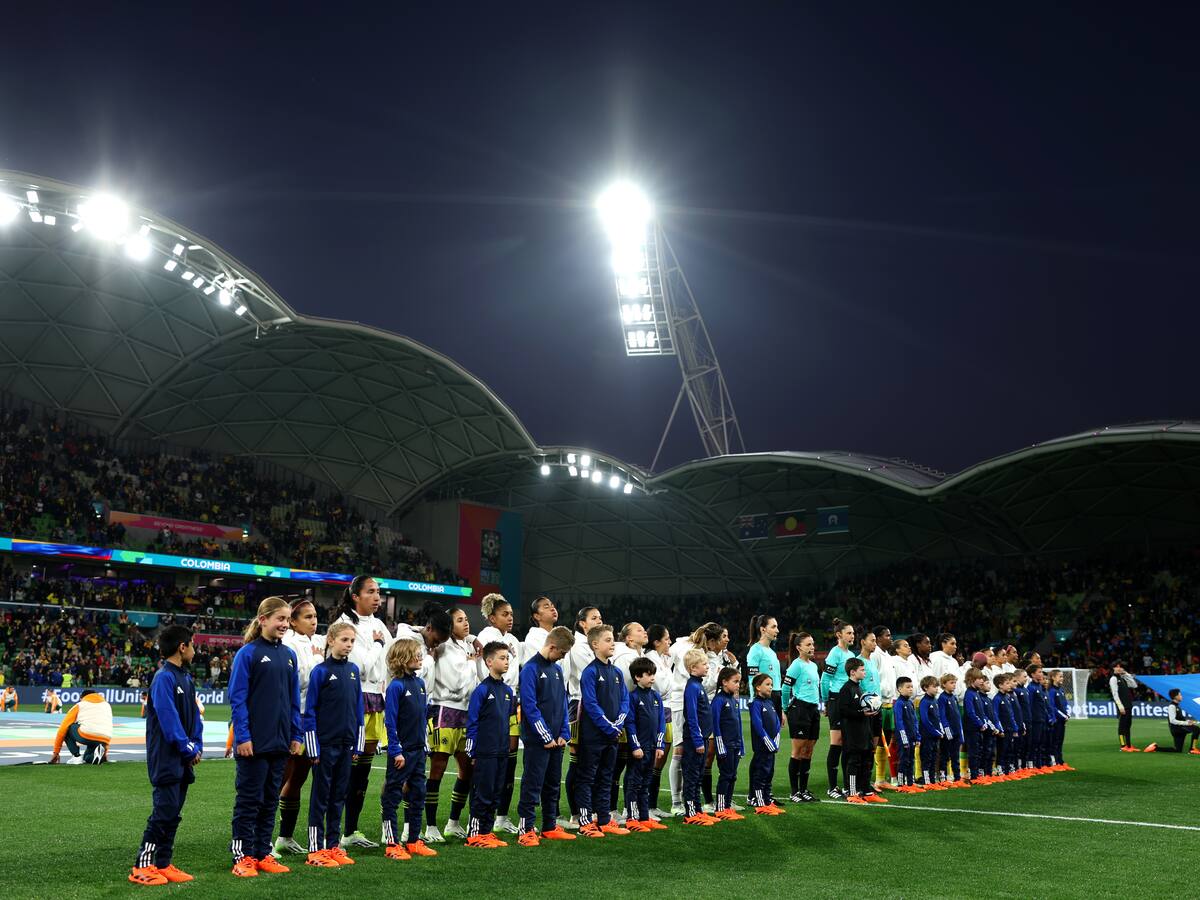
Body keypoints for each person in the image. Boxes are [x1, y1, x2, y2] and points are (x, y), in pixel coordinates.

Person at [228, 597, 303, 877]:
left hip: (281, 742)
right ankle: (242, 856)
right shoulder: (248, 653)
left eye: (287, 619)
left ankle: (262, 852)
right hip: (254, 743)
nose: (284, 624)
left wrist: (295, 734)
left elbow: (295, 700)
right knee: (249, 801)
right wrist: (243, 737)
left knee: (271, 799)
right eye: (280, 619)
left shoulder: (289, 655)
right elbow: (237, 699)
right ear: (263, 620)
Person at [129, 624, 204, 886]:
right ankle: (142, 865)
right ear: (182, 647)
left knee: (174, 813)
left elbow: (195, 717)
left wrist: (196, 744)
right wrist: (187, 748)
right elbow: (169, 719)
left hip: (182, 757)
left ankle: (162, 862)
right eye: (192, 645)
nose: (195, 650)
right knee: (163, 812)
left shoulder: (186, 678)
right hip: (167, 757)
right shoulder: (163, 678)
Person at [301, 622, 364, 867]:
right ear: (331, 641)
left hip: (347, 745)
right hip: (325, 746)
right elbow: (310, 711)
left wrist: (358, 745)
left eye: (352, 641)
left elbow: (359, 709)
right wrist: (313, 747)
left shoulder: (353, 671)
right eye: (344, 640)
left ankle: (333, 846)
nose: (348, 645)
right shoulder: (320, 671)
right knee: (321, 797)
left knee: (339, 796)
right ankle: (315, 849)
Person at [334, 576, 390, 850]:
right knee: (345, 770)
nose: (377, 596)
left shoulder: (378, 624)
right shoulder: (344, 625)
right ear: (355, 596)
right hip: (354, 699)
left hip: (375, 700)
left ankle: (350, 831)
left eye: (378, 592)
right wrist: (378, 646)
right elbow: (363, 667)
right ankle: (332, 832)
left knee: (363, 772)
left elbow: (391, 661)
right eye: (370, 592)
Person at [516, 626, 576, 846]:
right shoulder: (530, 669)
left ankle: (549, 826)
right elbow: (529, 707)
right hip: (537, 740)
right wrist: (546, 736)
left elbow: (562, 703)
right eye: (562, 652)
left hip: (556, 740)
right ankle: (526, 828)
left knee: (552, 784)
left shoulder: (557, 670)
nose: (563, 657)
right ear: (552, 646)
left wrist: (563, 733)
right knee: (532, 783)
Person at [380, 638, 439, 860]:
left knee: (418, 795)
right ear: (403, 658)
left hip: (418, 751)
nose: (420, 657)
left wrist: (425, 745)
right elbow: (390, 721)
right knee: (392, 796)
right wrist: (395, 750)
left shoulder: (420, 684)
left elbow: (422, 718)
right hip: (402, 753)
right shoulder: (396, 686)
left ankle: (413, 840)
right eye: (415, 653)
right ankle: (392, 843)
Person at [273, 599, 323, 857]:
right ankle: (262, 840)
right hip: (294, 717)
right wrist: (317, 662)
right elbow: (300, 680)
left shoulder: (317, 641)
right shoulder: (290, 643)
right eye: (307, 617)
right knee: (281, 776)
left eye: (315, 616)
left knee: (299, 778)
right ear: (293, 621)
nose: (314, 621)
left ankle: (285, 837)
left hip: (312, 719)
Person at [426, 606, 480, 842]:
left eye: (466, 619)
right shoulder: (444, 647)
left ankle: (453, 822)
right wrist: (470, 663)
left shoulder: (466, 645)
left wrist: (473, 642)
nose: (465, 623)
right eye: (459, 620)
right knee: (437, 768)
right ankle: (429, 826)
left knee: (467, 769)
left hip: (465, 713)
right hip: (444, 710)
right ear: (449, 626)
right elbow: (456, 682)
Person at [575, 624, 630, 838]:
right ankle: (585, 822)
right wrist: (610, 726)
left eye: (613, 639)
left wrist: (619, 723)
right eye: (608, 640)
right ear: (595, 644)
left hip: (613, 734)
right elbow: (590, 704)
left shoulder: (616, 671)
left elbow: (625, 700)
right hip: (594, 735)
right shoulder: (590, 672)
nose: (613, 643)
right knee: (587, 777)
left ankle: (604, 819)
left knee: (607, 777)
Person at [476, 594, 522, 835]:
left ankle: (501, 817)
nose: (510, 618)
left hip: (510, 698)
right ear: (492, 617)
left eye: (512, 614)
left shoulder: (513, 639)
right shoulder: (485, 637)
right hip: (492, 699)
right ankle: (478, 820)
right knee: (487, 764)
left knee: (509, 761)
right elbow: (480, 668)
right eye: (505, 614)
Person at [464, 641, 516, 848]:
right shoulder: (482, 690)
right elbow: (472, 722)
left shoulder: (507, 691)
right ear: (489, 661)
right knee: (482, 793)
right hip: (485, 751)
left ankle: (486, 831)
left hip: (501, 751)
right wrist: (472, 751)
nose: (506, 662)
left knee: (495, 793)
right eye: (502, 658)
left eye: (507, 659)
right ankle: (475, 834)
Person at [561, 606, 602, 829]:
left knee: (592, 762)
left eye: (600, 617)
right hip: (580, 705)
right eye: (593, 618)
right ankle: (576, 813)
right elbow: (593, 674)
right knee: (578, 762)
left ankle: (591, 809)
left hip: (594, 705)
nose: (598, 620)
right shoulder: (577, 646)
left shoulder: (593, 644)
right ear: (582, 624)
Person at [624, 656, 668, 831]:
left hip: (652, 748)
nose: (652, 678)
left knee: (646, 782)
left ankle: (644, 816)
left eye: (653, 674)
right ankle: (632, 818)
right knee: (634, 783)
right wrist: (635, 746)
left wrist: (660, 745)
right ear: (637, 677)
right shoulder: (633, 697)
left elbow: (661, 723)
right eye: (648, 674)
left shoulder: (656, 696)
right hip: (639, 749)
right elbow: (630, 723)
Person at [611, 621, 647, 821]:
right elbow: (628, 687)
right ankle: (612, 809)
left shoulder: (638, 655)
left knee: (624, 764)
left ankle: (624, 808)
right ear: (628, 638)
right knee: (619, 764)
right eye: (639, 630)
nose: (644, 632)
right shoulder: (627, 657)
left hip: (631, 713)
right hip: (625, 714)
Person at [781, 631, 820, 803]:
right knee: (797, 751)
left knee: (809, 751)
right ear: (799, 648)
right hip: (800, 709)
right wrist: (784, 709)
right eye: (808, 645)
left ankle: (804, 790)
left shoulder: (813, 665)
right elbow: (785, 689)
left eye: (812, 644)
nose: (812, 647)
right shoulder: (796, 665)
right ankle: (794, 791)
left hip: (813, 709)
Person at [680, 648, 717, 826]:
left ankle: (698, 810)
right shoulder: (692, 687)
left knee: (698, 775)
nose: (707, 666)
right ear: (693, 668)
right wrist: (697, 740)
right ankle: (691, 813)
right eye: (704, 664)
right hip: (695, 740)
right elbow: (692, 716)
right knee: (692, 776)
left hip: (701, 738)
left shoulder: (698, 685)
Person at [839, 658, 883, 803]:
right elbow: (843, 710)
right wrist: (861, 713)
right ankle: (852, 793)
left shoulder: (860, 687)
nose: (864, 672)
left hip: (864, 731)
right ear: (852, 672)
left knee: (866, 762)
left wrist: (870, 711)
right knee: (854, 762)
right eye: (862, 670)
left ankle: (866, 792)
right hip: (852, 733)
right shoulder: (846, 689)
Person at [819, 618, 855, 799]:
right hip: (836, 700)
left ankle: (849, 785)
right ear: (839, 635)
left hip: (848, 700)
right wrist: (826, 701)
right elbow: (825, 679)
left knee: (847, 743)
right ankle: (832, 787)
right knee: (837, 743)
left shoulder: (851, 655)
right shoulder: (835, 653)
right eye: (849, 633)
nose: (852, 636)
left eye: (853, 633)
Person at [643, 624, 674, 819]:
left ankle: (652, 805)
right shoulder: (649, 659)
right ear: (656, 642)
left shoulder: (663, 660)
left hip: (666, 710)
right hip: (656, 709)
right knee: (653, 759)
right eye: (667, 638)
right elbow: (661, 686)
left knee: (659, 761)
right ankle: (644, 806)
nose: (669, 642)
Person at [710, 666, 745, 820]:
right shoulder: (718, 701)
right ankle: (720, 807)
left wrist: (741, 746)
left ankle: (727, 806)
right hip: (725, 745)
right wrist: (720, 746)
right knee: (725, 775)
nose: (738, 685)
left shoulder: (733, 700)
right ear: (724, 682)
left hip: (735, 745)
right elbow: (715, 726)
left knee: (733, 776)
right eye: (735, 682)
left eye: (739, 682)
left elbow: (738, 725)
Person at [747, 673, 783, 814]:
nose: (770, 687)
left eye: (771, 685)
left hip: (772, 746)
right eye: (767, 684)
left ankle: (767, 800)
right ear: (757, 687)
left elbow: (777, 722)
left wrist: (777, 738)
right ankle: (759, 802)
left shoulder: (770, 702)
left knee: (769, 773)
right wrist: (768, 741)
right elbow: (758, 725)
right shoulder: (755, 703)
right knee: (760, 774)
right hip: (763, 747)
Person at [51, 689, 112, 765]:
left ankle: (76, 756)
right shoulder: (107, 705)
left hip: (88, 734)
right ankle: (99, 755)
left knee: (68, 727)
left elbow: (62, 729)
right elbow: (108, 726)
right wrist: (105, 752)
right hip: (105, 738)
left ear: (82, 697)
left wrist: (56, 752)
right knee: (87, 758)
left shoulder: (80, 705)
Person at [870, 626, 898, 791]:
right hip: (878, 704)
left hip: (889, 703)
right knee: (876, 741)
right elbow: (872, 678)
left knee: (885, 741)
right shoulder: (875, 655)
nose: (891, 638)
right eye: (888, 635)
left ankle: (880, 779)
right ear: (879, 638)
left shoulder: (888, 656)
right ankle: (872, 778)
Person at [1143, 689, 1200, 754]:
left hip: (1177, 729)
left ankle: (1155, 748)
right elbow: (1172, 720)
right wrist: (1186, 723)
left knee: (1177, 750)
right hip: (1177, 728)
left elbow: (1179, 718)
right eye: (1180, 695)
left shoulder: (1176, 706)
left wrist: (1188, 721)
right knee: (1196, 729)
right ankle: (1192, 749)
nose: (1181, 696)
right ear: (1176, 697)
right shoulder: (1172, 706)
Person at [745, 614, 781, 718]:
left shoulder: (772, 653)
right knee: (763, 733)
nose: (777, 630)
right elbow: (752, 678)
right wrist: (754, 701)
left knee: (775, 734)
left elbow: (777, 679)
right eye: (773, 627)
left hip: (776, 696)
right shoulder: (755, 650)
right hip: (763, 698)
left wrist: (781, 707)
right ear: (763, 629)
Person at [962, 668, 995, 783]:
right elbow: (971, 712)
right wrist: (980, 723)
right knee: (973, 752)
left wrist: (983, 723)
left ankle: (978, 775)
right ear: (971, 680)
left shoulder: (975, 693)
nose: (982, 681)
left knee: (978, 751)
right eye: (979, 678)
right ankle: (974, 776)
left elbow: (981, 712)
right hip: (971, 728)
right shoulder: (969, 694)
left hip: (978, 727)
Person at [937, 674, 967, 786]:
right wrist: (946, 730)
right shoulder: (942, 698)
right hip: (948, 732)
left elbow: (957, 716)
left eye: (955, 683)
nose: (954, 685)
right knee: (945, 755)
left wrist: (960, 731)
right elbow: (942, 716)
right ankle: (943, 778)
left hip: (956, 731)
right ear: (944, 684)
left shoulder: (954, 697)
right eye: (951, 683)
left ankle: (957, 778)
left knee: (955, 755)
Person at [917, 675, 947, 789]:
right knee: (926, 757)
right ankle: (926, 780)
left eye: (937, 686)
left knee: (934, 756)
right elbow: (925, 720)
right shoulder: (924, 702)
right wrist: (935, 732)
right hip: (927, 735)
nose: (936, 689)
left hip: (935, 735)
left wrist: (941, 730)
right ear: (925, 688)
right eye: (934, 686)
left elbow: (938, 717)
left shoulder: (934, 700)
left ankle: (932, 780)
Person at [893, 676, 922, 792]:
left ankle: (910, 783)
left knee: (911, 759)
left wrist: (917, 736)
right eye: (907, 687)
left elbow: (915, 721)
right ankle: (900, 784)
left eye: (911, 687)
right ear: (899, 689)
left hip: (912, 737)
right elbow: (899, 722)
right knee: (903, 760)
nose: (911, 689)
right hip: (903, 738)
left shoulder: (910, 703)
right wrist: (904, 739)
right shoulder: (899, 704)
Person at [1026, 665, 1053, 772]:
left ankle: (1039, 765)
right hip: (1035, 720)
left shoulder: (1040, 687)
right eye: (1039, 672)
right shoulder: (1031, 688)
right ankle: (1032, 765)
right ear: (1033, 674)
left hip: (1042, 719)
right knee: (1035, 742)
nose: (1042, 674)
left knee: (1041, 742)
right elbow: (1030, 705)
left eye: (1042, 672)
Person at [1047, 669, 1074, 770]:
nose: (1062, 678)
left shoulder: (1061, 690)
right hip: (1056, 721)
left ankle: (1060, 761)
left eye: (1062, 676)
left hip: (1062, 720)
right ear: (1053, 677)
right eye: (1060, 676)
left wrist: (1067, 713)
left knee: (1060, 741)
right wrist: (1063, 716)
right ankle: (1055, 762)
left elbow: (1065, 704)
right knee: (1055, 741)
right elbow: (1053, 707)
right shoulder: (1051, 691)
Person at [521, 596, 559, 667]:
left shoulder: (559, 635)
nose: (552, 609)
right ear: (537, 616)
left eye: (552, 606)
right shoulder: (534, 637)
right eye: (546, 607)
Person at [1110, 661, 1139, 751]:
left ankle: (1129, 746)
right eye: (1116, 666)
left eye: (1120, 667)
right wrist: (1120, 707)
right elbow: (1115, 694)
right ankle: (1123, 746)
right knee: (1122, 726)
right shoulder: (1113, 679)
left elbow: (1134, 685)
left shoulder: (1123, 678)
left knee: (1128, 726)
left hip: (1128, 705)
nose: (1119, 668)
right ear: (1113, 668)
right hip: (1122, 706)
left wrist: (1126, 673)